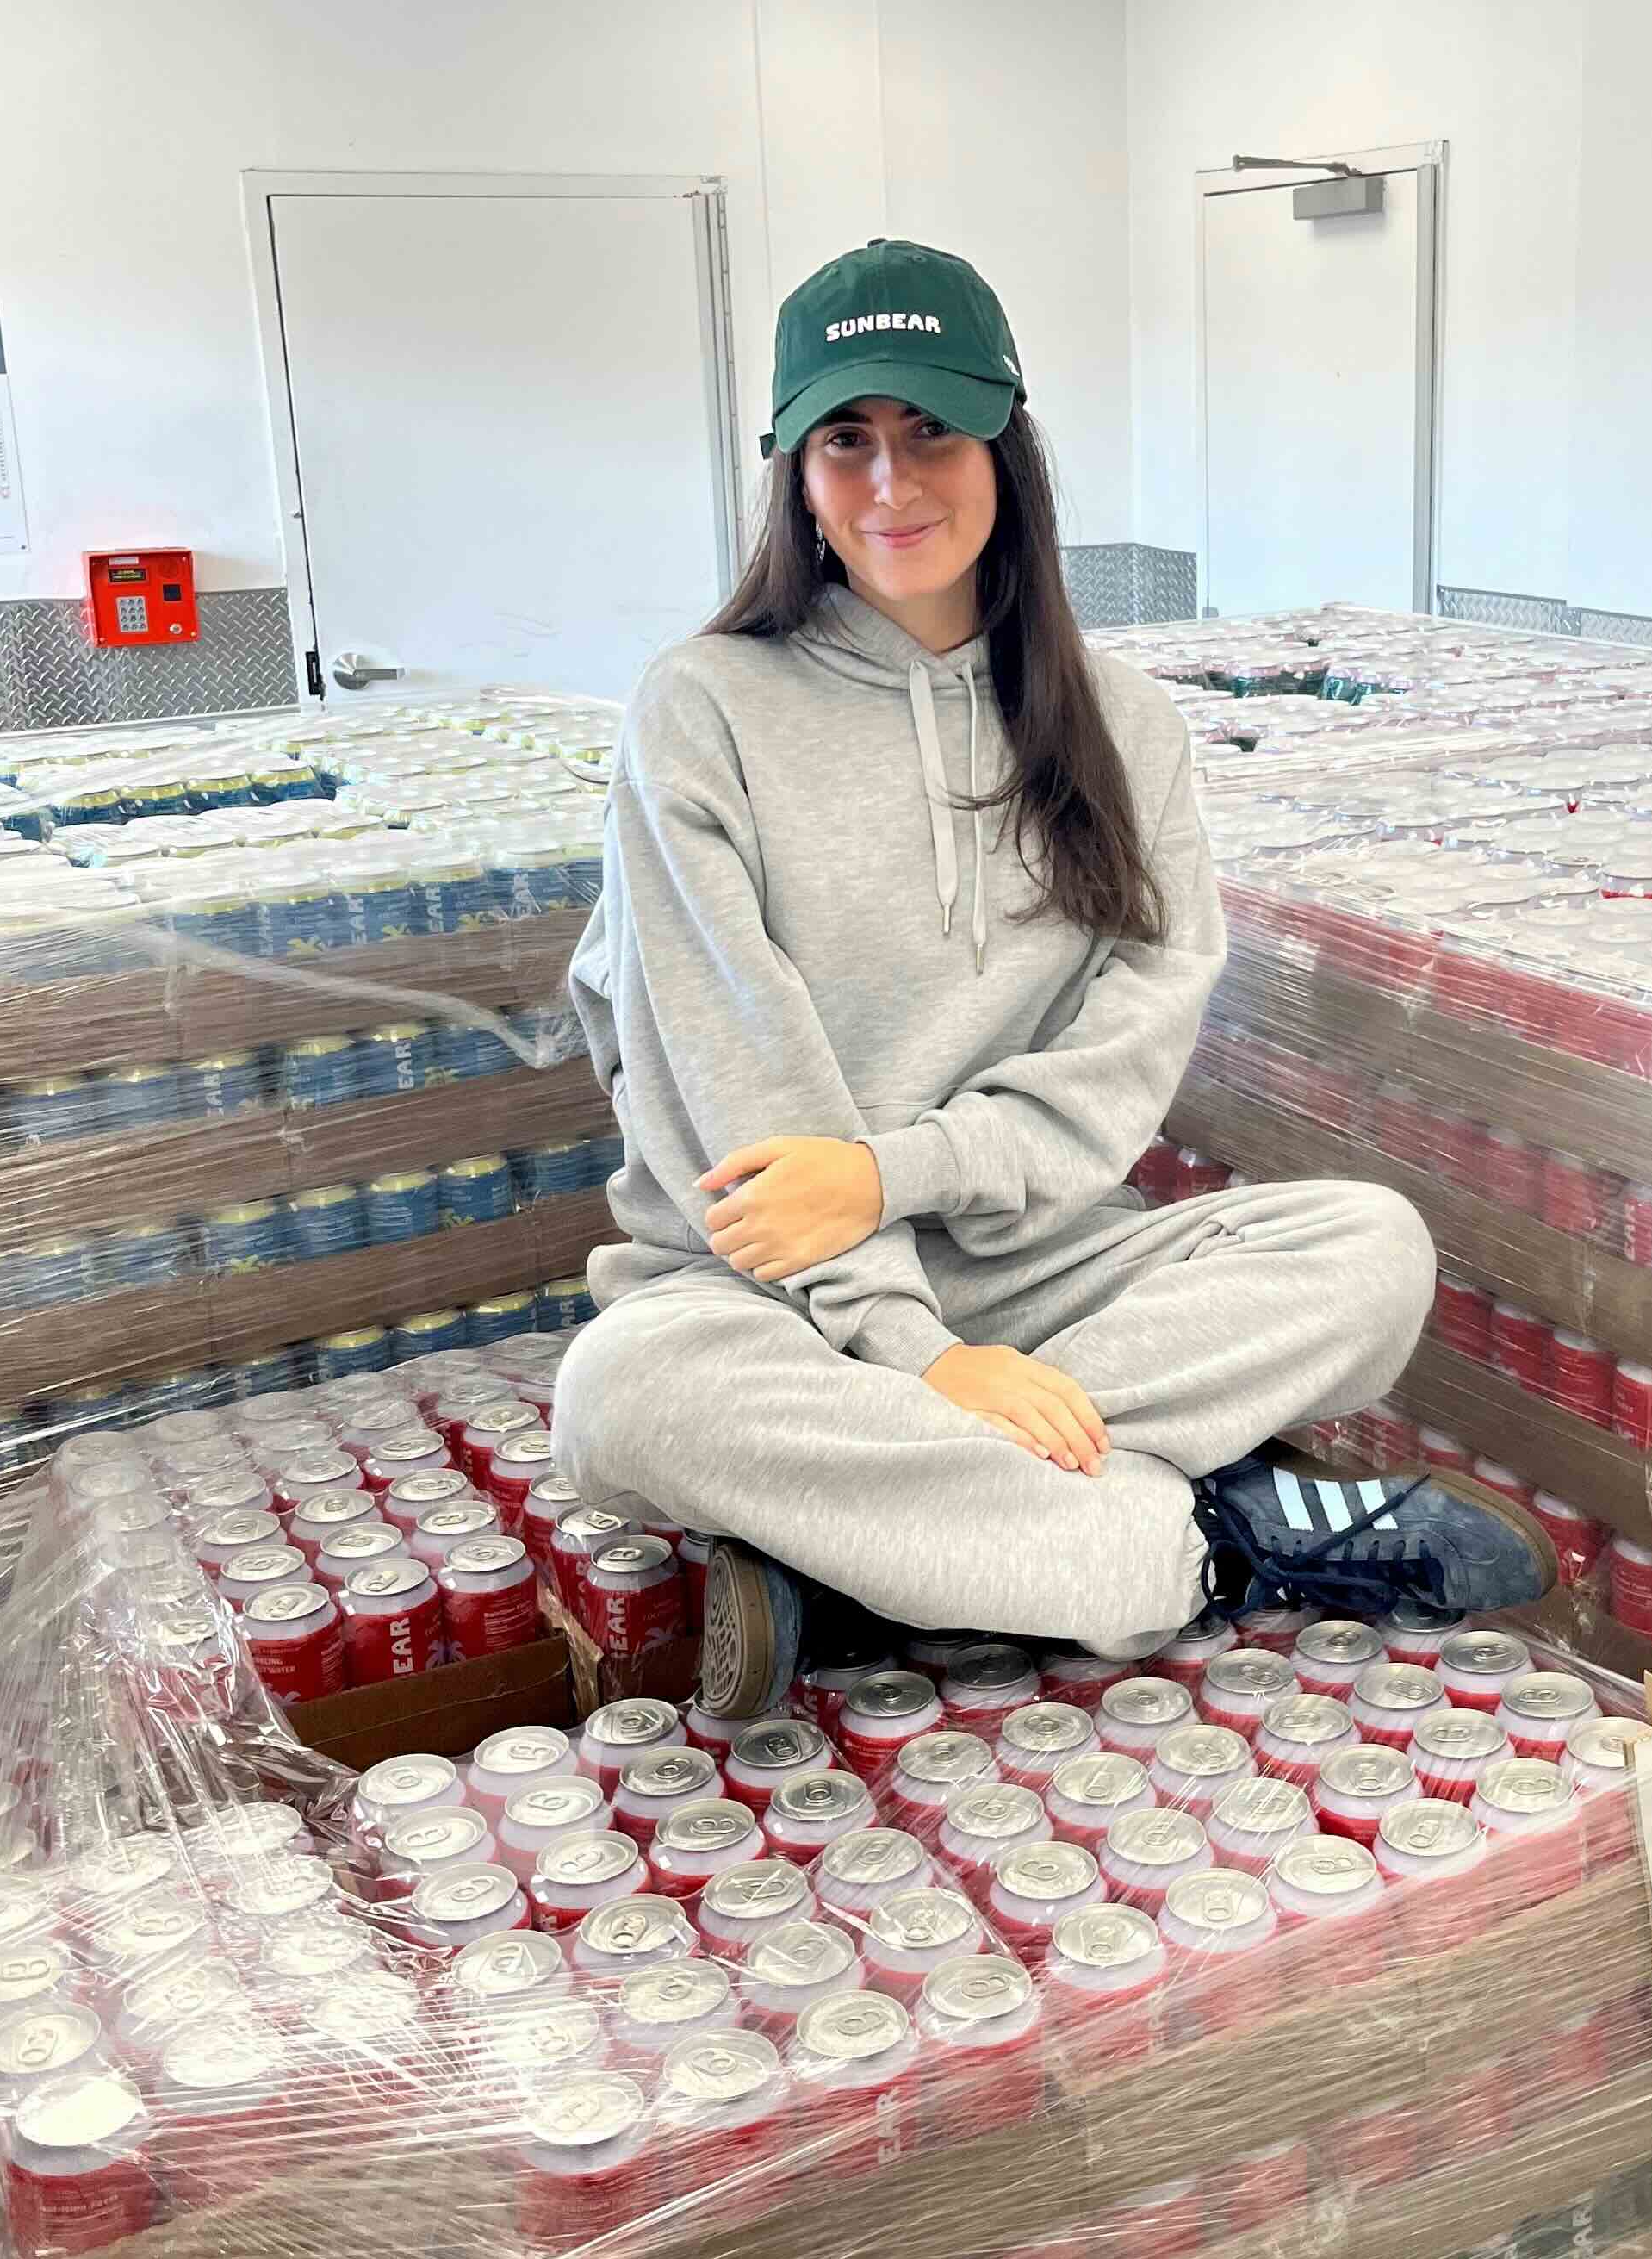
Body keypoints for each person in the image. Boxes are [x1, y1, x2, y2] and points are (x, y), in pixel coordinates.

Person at [552, 238, 1550, 1714]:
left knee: (1372, 1250)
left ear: (1006, 446)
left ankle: (862, 1557)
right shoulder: (701, 710)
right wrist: (911, 1350)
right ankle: (1208, 1541)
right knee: (619, 1398)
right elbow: (733, 1079)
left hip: (1036, 1266)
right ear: (797, 475)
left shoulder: (1125, 726)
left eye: (932, 433)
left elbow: (1126, 1053)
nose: (893, 483)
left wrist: (900, 1181)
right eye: (847, 441)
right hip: (758, 1288)